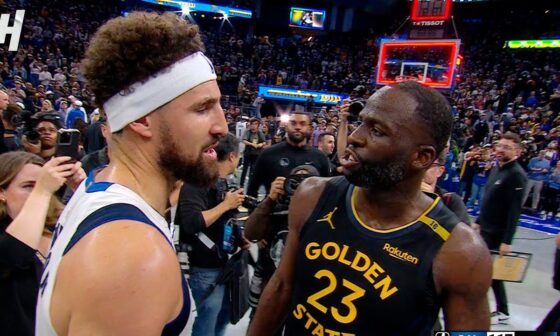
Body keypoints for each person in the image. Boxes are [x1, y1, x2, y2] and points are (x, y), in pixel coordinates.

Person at [35, 12, 228, 335]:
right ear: (140, 120)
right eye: (202, 108)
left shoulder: (97, 183)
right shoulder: (132, 254)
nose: (221, 126)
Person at [248, 82, 492, 336]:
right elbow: (281, 287)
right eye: (361, 122)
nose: (355, 136)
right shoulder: (312, 194)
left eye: (376, 130)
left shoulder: (461, 252)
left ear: (421, 157)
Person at [245, 111, 330, 325]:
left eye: (303, 124)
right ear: (286, 126)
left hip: (306, 240)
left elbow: (327, 201)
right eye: (293, 123)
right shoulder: (269, 155)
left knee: (297, 310)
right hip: (272, 237)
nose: (298, 127)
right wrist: (262, 225)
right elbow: (251, 194)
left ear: (311, 128)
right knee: (263, 309)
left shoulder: (320, 159)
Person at [0, 152, 84, 336]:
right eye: (28, 186)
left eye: (43, 185)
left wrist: (81, 192)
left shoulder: (59, 228)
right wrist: (43, 190)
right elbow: (15, 255)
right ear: (2, 192)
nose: (38, 192)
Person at [174, 133, 247, 336]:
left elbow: (226, 220)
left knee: (223, 318)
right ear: (232, 156)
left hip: (223, 264)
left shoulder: (222, 183)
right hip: (204, 268)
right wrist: (226, 205)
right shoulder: (196, 183)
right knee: (207, 323)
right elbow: (191, 222)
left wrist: (241, 240)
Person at [473, 131, 528, 325]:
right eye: (500, 145)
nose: (501, 149)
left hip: (497, 234)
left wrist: (507, 241)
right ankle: (503, 309)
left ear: (518, 151)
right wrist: (479, 220)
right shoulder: (497, 169)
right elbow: (489, 199)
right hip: (485, 228)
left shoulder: (517, 176)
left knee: (488, 272)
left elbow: (514, 211)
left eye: (507, 147)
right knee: (492, 273)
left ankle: (496, 308)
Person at [240, 118, 266, 188]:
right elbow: (244, 140)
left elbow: (264, 142)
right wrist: (251, 144)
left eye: (256, 124)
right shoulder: (247, 131)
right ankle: (241, 184)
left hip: (256, 154)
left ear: (258, 125)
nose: (254, 126)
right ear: (250, 125)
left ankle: (250, 185)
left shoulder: (260, 133)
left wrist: (261, 144)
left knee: (252, 170)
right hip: (248, 153)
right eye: (252, 124)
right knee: (244, 170)